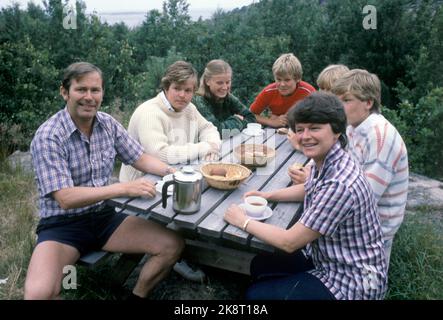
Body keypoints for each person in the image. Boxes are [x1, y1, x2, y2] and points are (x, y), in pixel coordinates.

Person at [25, 62, 184, 300]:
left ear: (102, 93)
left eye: (95, 90)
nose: (89, 97)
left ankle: (136, 295)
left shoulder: (107, 124)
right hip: (62, 226)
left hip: (104, 218)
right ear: (64, 92)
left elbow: (139, 157)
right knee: (38, 294)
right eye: (81, 89)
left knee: (172, 245)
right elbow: (65, 198)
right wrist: (121, 188)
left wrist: (173, 172)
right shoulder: (49, 136)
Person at [224, 92, 387, 300]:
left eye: (315, 128)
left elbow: (289, 242)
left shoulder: (339, 184)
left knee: (256, 296)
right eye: (300, 129)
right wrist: (267, 194)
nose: (305, 136)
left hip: (352, 283)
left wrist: (242, 220)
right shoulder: (331, 159)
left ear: (336, 131)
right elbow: (308, 188)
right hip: (327, 258)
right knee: (260, 264)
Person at [331, 69, 409, 266]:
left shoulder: (380, 137)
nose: (339, 107)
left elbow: (364, 199)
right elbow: (340, 169)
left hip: (372, 235)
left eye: (346, 100)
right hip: (355, 221)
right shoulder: (354, 127)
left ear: (368, 102)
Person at [119, 60, 221, 182]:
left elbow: (208, 128)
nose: (182, 95)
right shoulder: (150, 113)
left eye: (187, 90)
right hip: (140, 187)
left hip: (175, 176)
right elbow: (160, 155)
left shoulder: (189, 109)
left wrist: (213, 146)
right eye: (177, 88)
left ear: (194, 92)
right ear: (166, 88)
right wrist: (204, 147)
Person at [287, 64, 349, 181]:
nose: (322, 94)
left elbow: (336, 168)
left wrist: (299, 146)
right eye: (321, 89)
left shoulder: (345, 125)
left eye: (329, 91)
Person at [193, 59, 256, 138]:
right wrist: (237, 119)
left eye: (228, 82)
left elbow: (251, 118)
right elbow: (217, 132)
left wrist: (227, 125)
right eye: (220, 83)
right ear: (207, 81)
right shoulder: (199, 101)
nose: (225, 87)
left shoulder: (228, 97)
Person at [249, 53, 316, 128]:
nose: (282, 84)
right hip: (276, 130)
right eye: (278, 79)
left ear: (297, 79)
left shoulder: (308, 92)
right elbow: (249, 115)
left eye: (287, 80)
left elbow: (319, 117)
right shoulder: (269, 91)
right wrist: (271, 121)